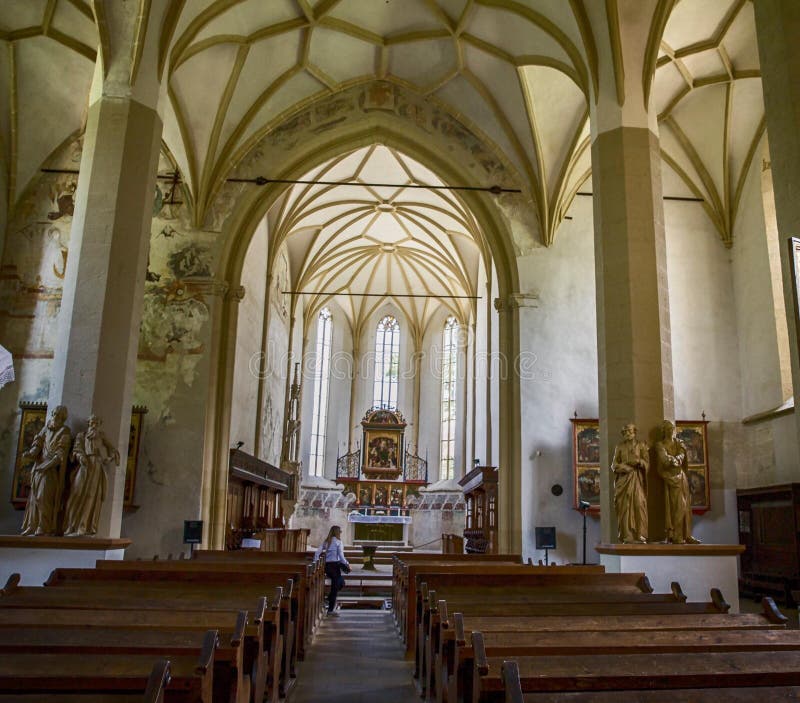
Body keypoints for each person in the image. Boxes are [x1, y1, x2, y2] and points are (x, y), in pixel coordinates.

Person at [64, 414, 120, 537]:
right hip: (84, 466)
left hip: (97, 466)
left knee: (91, 496)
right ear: (88, 424)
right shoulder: (81, 435)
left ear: (99, 425)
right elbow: (76, 449)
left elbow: (113, 450)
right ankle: (71, 525)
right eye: (91, 423)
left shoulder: (101, 436)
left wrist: (108, 458)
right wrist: (80, 456)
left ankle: (83, 527)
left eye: (96, 423)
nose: (94, 425)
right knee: (77, 494)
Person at [20, 405, 72, 536]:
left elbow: (61, 453)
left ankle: (44, 526)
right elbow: (38, 444)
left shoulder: (65, 431)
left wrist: (47, 465)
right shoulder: (46, 428)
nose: (55, 417)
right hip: (38, 468)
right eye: (54, 414)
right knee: (33, 498)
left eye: (59, 415)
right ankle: (32, 524)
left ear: (63, 418)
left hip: (50, 470)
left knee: (44, 497)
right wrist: (31, 453)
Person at [655, 420, 701, 544]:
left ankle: (687, 534)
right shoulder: (660, 445)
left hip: (681, 477)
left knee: (686, 506)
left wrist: (677, 459)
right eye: (668, 429)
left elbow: (682, 455)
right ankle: (676, 534)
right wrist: (672, 460)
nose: (670, 431)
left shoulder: (679, 442)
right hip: (670, 478)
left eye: (672, 428)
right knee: (677, 506)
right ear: (663, 431)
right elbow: (663, 459)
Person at [611, 423, 649, 544]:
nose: (628, 433)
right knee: (625, 507)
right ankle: (627, 535)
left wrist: (638, 461)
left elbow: (647, 463)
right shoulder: (620, 447)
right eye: (625, 431)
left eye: (630, 431)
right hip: (624, 480)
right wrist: (624, 467)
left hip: (637, 479)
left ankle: (640, 534)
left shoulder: (641, 445)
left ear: (634, 432)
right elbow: (614, 465)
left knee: (639, 504)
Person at [314, 525, 350, 616]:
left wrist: (315, 562)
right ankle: (330, 610)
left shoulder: (326, 542)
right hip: (335, 566)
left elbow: (317, 552)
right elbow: (341, 557)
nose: (341, 533)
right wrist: (347, 563)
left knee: (340, 583)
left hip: (327, 566)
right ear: (337, 532)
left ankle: (329, 598)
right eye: (340, 532)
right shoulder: (338, 542)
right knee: (336, 587)